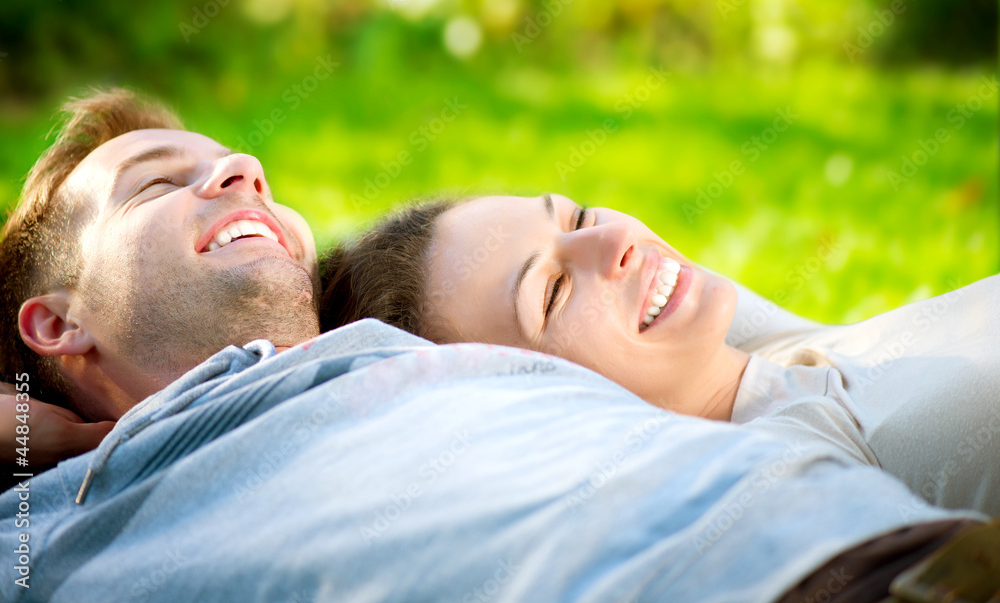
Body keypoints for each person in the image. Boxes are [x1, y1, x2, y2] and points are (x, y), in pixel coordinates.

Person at [2, 89, 999, 603]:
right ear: (57, 323)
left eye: (236, 165)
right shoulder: (64, 522)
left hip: (884, 557)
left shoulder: (405, 350)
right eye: (154, 185)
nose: (242, 170)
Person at [320, 193, 1000, 516]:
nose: (612, 244)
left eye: (579, 215)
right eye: (553, 291)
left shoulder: (757, 350)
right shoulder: (805, 474)